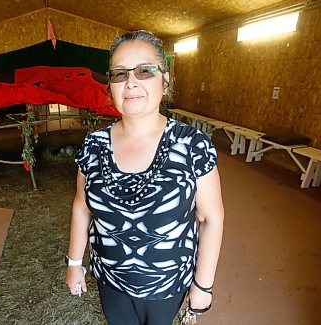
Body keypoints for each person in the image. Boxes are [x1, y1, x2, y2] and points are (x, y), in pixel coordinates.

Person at [65, 30, 225, 325]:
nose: (131, 82)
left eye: (145, 70)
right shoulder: (94, 144)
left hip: (168, 283)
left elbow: (211, 218)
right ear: (110, 85)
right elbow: (81, 205)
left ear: (165, 81)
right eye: (119, 74)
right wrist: (75, 263)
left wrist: (203, 286)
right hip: (110, 279)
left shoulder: (192, 144)